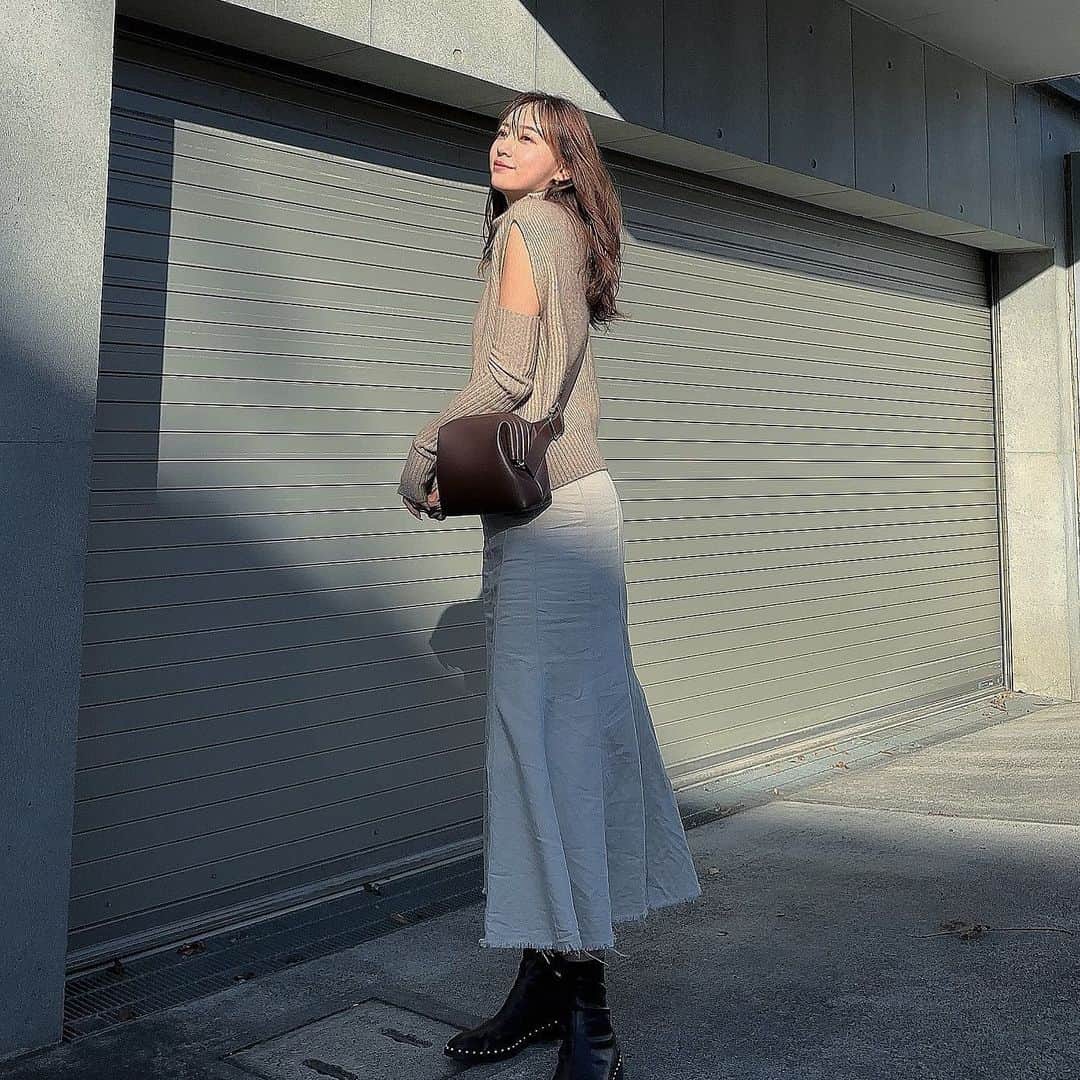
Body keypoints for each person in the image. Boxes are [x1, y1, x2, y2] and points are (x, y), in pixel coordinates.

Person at [396, 91, 702, 1080]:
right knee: (547, 753)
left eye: (528, 136)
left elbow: (505, 377)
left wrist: (422, 452)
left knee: (551, 760)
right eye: (500, 130)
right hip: (567, 519)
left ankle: (590, 1024)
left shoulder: (529, 224)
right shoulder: (564, 230)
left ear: (565, 164)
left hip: (553, 528)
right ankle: (541, 989)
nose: (504, 145)